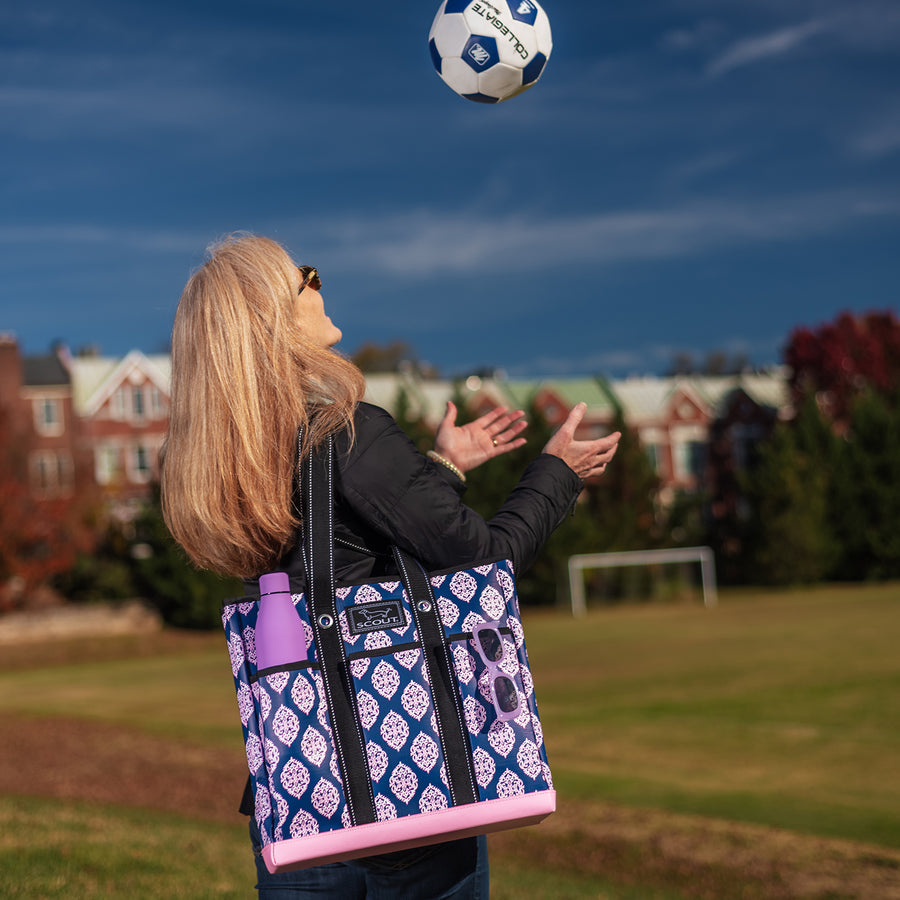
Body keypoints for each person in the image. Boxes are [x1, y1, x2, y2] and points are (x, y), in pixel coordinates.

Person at [161, 234, 620, 899]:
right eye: (304, 278)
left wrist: (440, 470)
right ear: (275, 319)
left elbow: (340, 550)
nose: (319, 283)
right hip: (405, 785)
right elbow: (483, 568)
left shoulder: (234, 459)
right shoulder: (346, 431)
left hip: (297, 799)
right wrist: (555, 476)